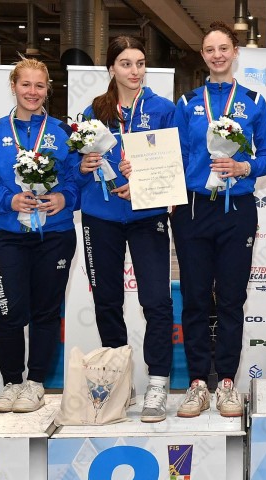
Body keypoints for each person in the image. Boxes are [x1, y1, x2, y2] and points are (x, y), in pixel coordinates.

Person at [173, 21, 266, 417]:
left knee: (232, 299)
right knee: (196, 298)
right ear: (203, 55)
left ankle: (228, 383)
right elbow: (175, 158)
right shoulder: (187, 103)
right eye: (209, 50)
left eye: (223, 48)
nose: (217, 55)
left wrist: (244, 167)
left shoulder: (253, 101)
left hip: (238, 210)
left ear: (235, 53)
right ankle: (199, 382)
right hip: (194, 209)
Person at [76, 36, 175, 423]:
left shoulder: (163, 109)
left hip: (147, 215)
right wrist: (83, 167)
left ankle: (158, 383)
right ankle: (118, 382)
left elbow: (176, 165)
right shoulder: (94, 111)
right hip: (101, 216)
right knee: (107, 302)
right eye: (126, 64)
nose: (135, 71)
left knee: (157, 301)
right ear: (111, 69)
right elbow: (75, 168)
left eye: (140, 63)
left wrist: (143, 184)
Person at [0, 58, 79, 413]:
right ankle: (12, 382)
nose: (32, 92)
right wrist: (8, 200)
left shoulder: (63, 132)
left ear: (48, 89)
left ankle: (35, 384)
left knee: (46, 312)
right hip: (8, 234)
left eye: (39, 85)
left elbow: (78, 179)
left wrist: (64, 198)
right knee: (9, 312)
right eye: (25, 84)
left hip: (54, 235)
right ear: (13, 86)